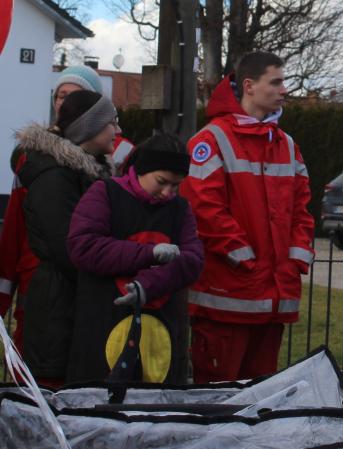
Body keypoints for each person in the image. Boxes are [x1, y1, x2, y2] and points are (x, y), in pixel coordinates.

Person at [181, 51, 315, 382]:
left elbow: (302, 209)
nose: (284, 90)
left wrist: (294, 259)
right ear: (250, 86)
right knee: (218, 396)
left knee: (260, 396)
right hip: (227, 295)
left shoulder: (286, 144)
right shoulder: (211, 140)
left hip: (271, 297)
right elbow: (204, 209)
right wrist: (244, 259)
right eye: (277, 81)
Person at [0, 65, 134, 350]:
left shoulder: (110, 156)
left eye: (76, 96)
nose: (65, 103)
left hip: (74, 296)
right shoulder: (48, 169)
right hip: (46, 288)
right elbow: (20, 231)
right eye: (61, 95)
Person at [66, 133, 204, 384]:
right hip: (102, 323)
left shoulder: (181, 209)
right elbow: (83, 247)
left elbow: (192, 260)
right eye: (161, 181)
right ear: (142, 169)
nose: (167, 192)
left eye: (175, 185)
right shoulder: (105, 193)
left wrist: (147, 285)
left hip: (161, 334)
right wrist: (150, 253)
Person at [13, 90, 119, 385]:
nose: (118, 130)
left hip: (73, 305)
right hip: (58, 311)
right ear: (89, 127)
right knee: (56, 397)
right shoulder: (55, 178)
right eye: (112, 121)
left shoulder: (83, 173)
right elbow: (70, 249)